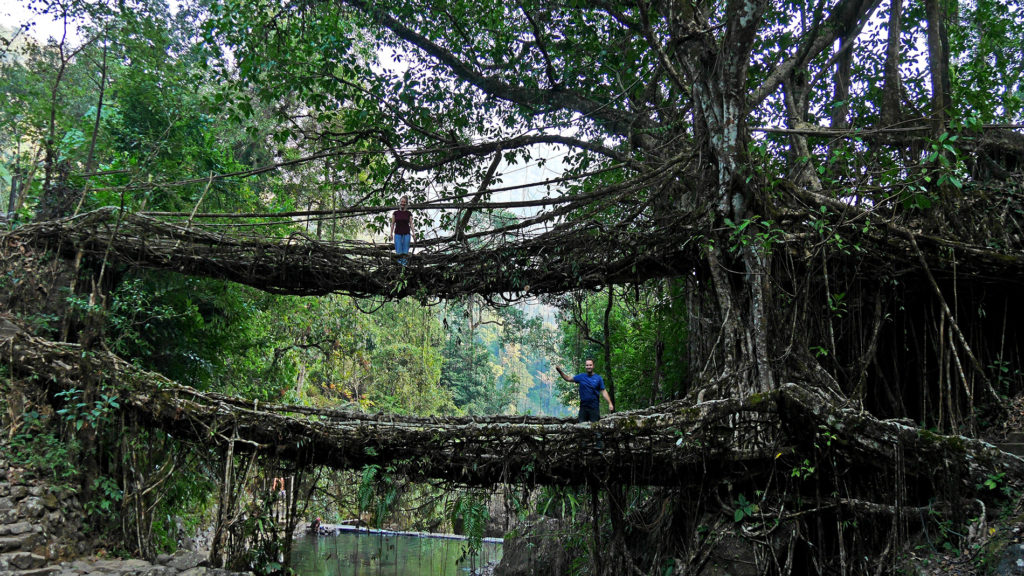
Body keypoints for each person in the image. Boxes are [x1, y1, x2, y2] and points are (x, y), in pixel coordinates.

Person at [555, 358, 614, 422]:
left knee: (595, 428)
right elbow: (568, 379)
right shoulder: (581, 377)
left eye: (590, 365)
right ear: (585, 366)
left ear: (593, 366)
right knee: (582, 428)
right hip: (583, 407)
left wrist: (610, 403)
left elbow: (603, 391)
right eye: (587, 365)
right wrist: (560, 371)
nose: (589, 367)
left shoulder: (598, 378)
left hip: (594, 407)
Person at [388, 196, 415, 265]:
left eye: (404, 202)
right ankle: (399, 268)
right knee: (399, 252)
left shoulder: (408, 213)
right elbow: (392, 224)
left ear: (406, 203)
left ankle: (404, 268)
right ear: (400, 202)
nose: (403, 203)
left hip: (406, 234)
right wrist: (391, 234)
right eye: (402, 201)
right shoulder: (395, 213)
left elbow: (411, 223)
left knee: (405, 252)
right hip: (397, 234)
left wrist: (414, 233)